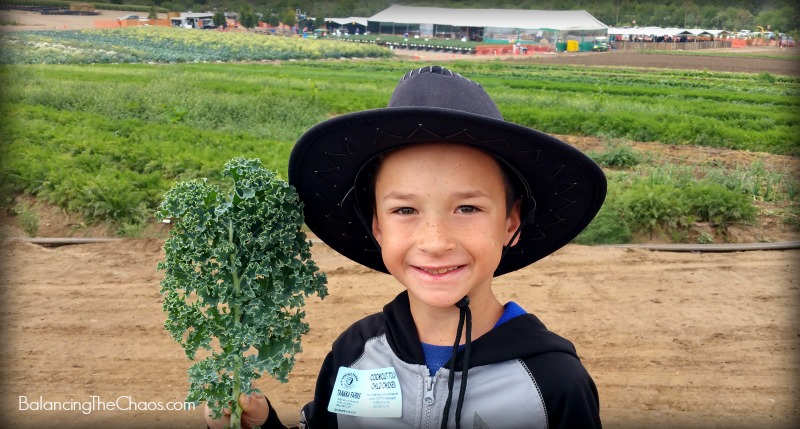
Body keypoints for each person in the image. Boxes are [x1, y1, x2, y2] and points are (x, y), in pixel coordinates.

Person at [206, 65, 606, 429]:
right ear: (377, 226)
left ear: (510, 223)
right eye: (405, 209)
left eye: (467, 207)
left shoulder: (554, 383)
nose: (435, 242)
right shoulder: (354, 352)